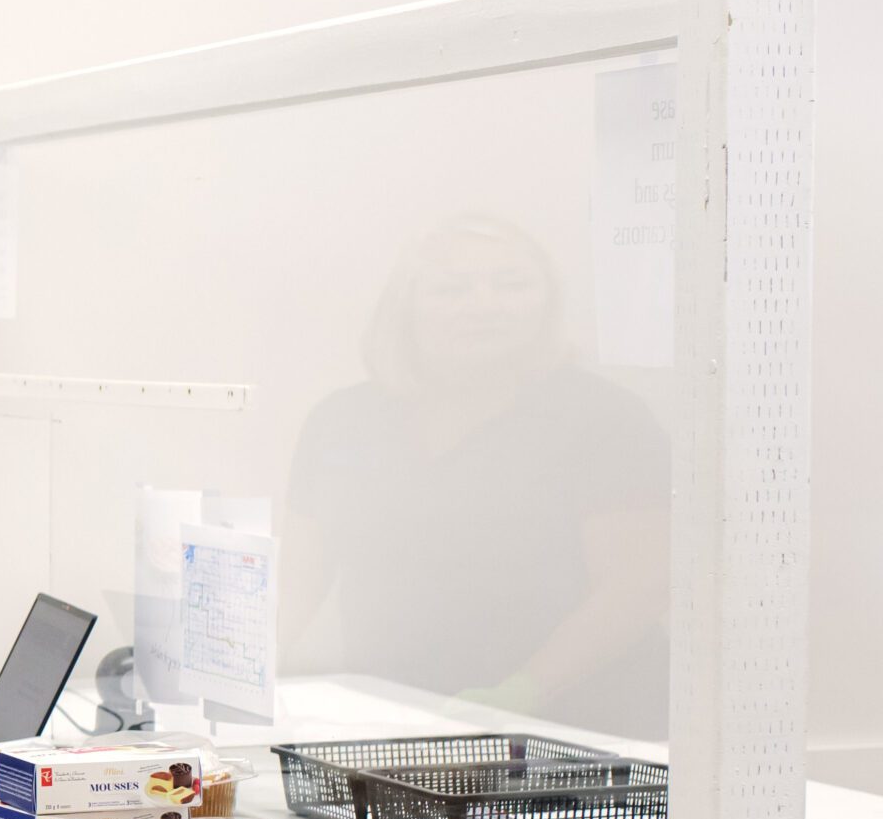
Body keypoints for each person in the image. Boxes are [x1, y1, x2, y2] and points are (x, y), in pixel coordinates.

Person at [282, 212, 671, 737]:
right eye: (452, 288)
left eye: (512, 284)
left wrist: (524, 691)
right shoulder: (343, 420)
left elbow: (638, 585)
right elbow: (297, 579)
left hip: (571, 734)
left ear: (547, 303)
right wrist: (240, 680)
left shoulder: (603, 420)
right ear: (406, 307)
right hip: (392, 724)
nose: (485, 304)